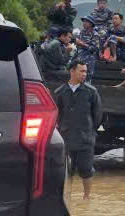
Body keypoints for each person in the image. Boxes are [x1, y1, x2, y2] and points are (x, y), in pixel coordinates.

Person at [54, 60, 103, 199]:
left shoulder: (91, 92)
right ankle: (65, 197)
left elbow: (97, 115)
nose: (84, 74)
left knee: (86, 169)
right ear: (72, 71)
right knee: (65, 171)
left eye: (85, 71)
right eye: (81, 71)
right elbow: (56, 114)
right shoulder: (60, 92)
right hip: (66, 138)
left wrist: (90, 130)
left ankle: (86, 197)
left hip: (85, 138)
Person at [38, 27, 73, 92]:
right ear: (62, 36)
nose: (70, 40)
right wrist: (68, 52)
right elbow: (62, 62)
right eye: (69, 37)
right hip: (48, 70)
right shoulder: (56, 44)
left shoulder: (57, 43)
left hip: (50, 68)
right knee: (72, 75)